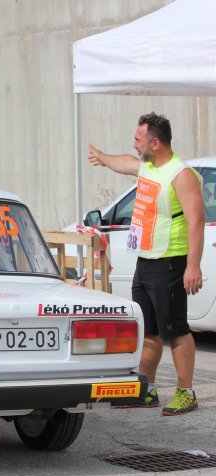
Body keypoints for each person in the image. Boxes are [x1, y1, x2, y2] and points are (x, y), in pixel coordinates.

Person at [89, 112, 205, 416]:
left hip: (170, 262)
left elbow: (196, 222)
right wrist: (102, 157)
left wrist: (193, 266)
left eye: (139, 139)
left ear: (155, 143)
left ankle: (186, 393)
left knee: (176, 330)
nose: (135, 144)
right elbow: (125, 162)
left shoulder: (181, 175)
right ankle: (147, 390)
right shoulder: (149, 168)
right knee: (150, 330)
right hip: (146, 261)